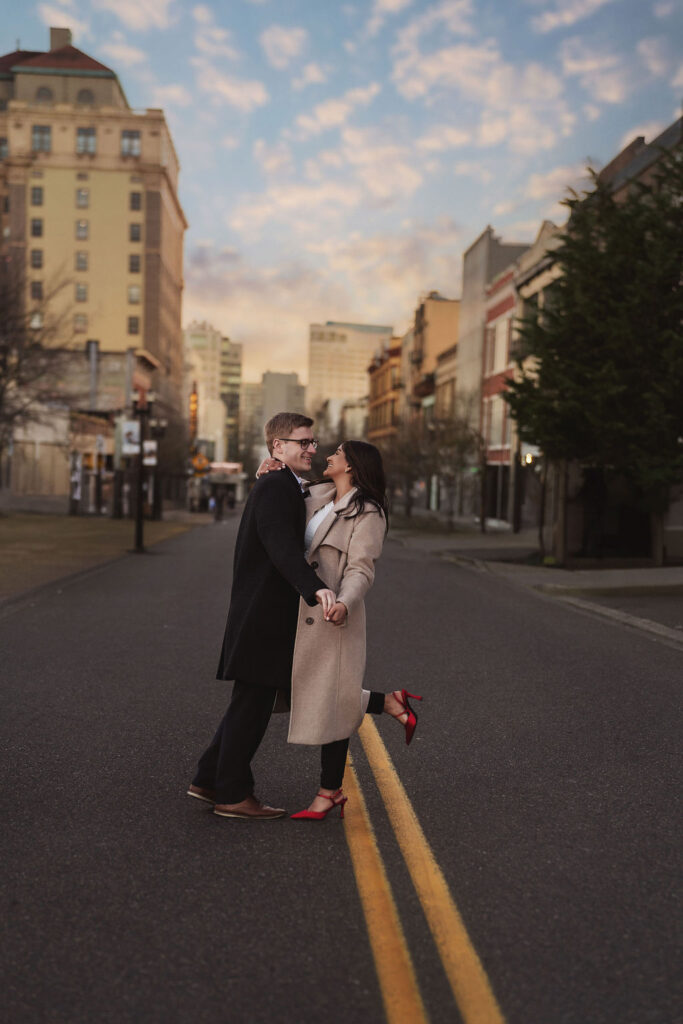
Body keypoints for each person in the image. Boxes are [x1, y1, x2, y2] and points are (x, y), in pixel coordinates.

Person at [259, 440, 422, 822]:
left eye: (337, 453)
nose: (328, 456)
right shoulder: (316, 494)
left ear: (350, 466)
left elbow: (361, 568)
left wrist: (345, 602)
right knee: (306, 687)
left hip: (332, 615)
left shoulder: (368, 512)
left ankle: (328, 792)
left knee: (332, 699)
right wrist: (265, 471)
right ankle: (389, 702)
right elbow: (281, 502)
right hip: (298, 609)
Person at [187, 413, 336, 820]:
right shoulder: (275, 486)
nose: (311, 448)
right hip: (264, 615)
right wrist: (314, 588)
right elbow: (279, 546)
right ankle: (233, 794)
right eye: (302, 442)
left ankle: (208, 779)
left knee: (249, 702)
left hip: (263, 612)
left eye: (312, 441)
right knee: (252, 707)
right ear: (278, 446)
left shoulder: (282, 482)